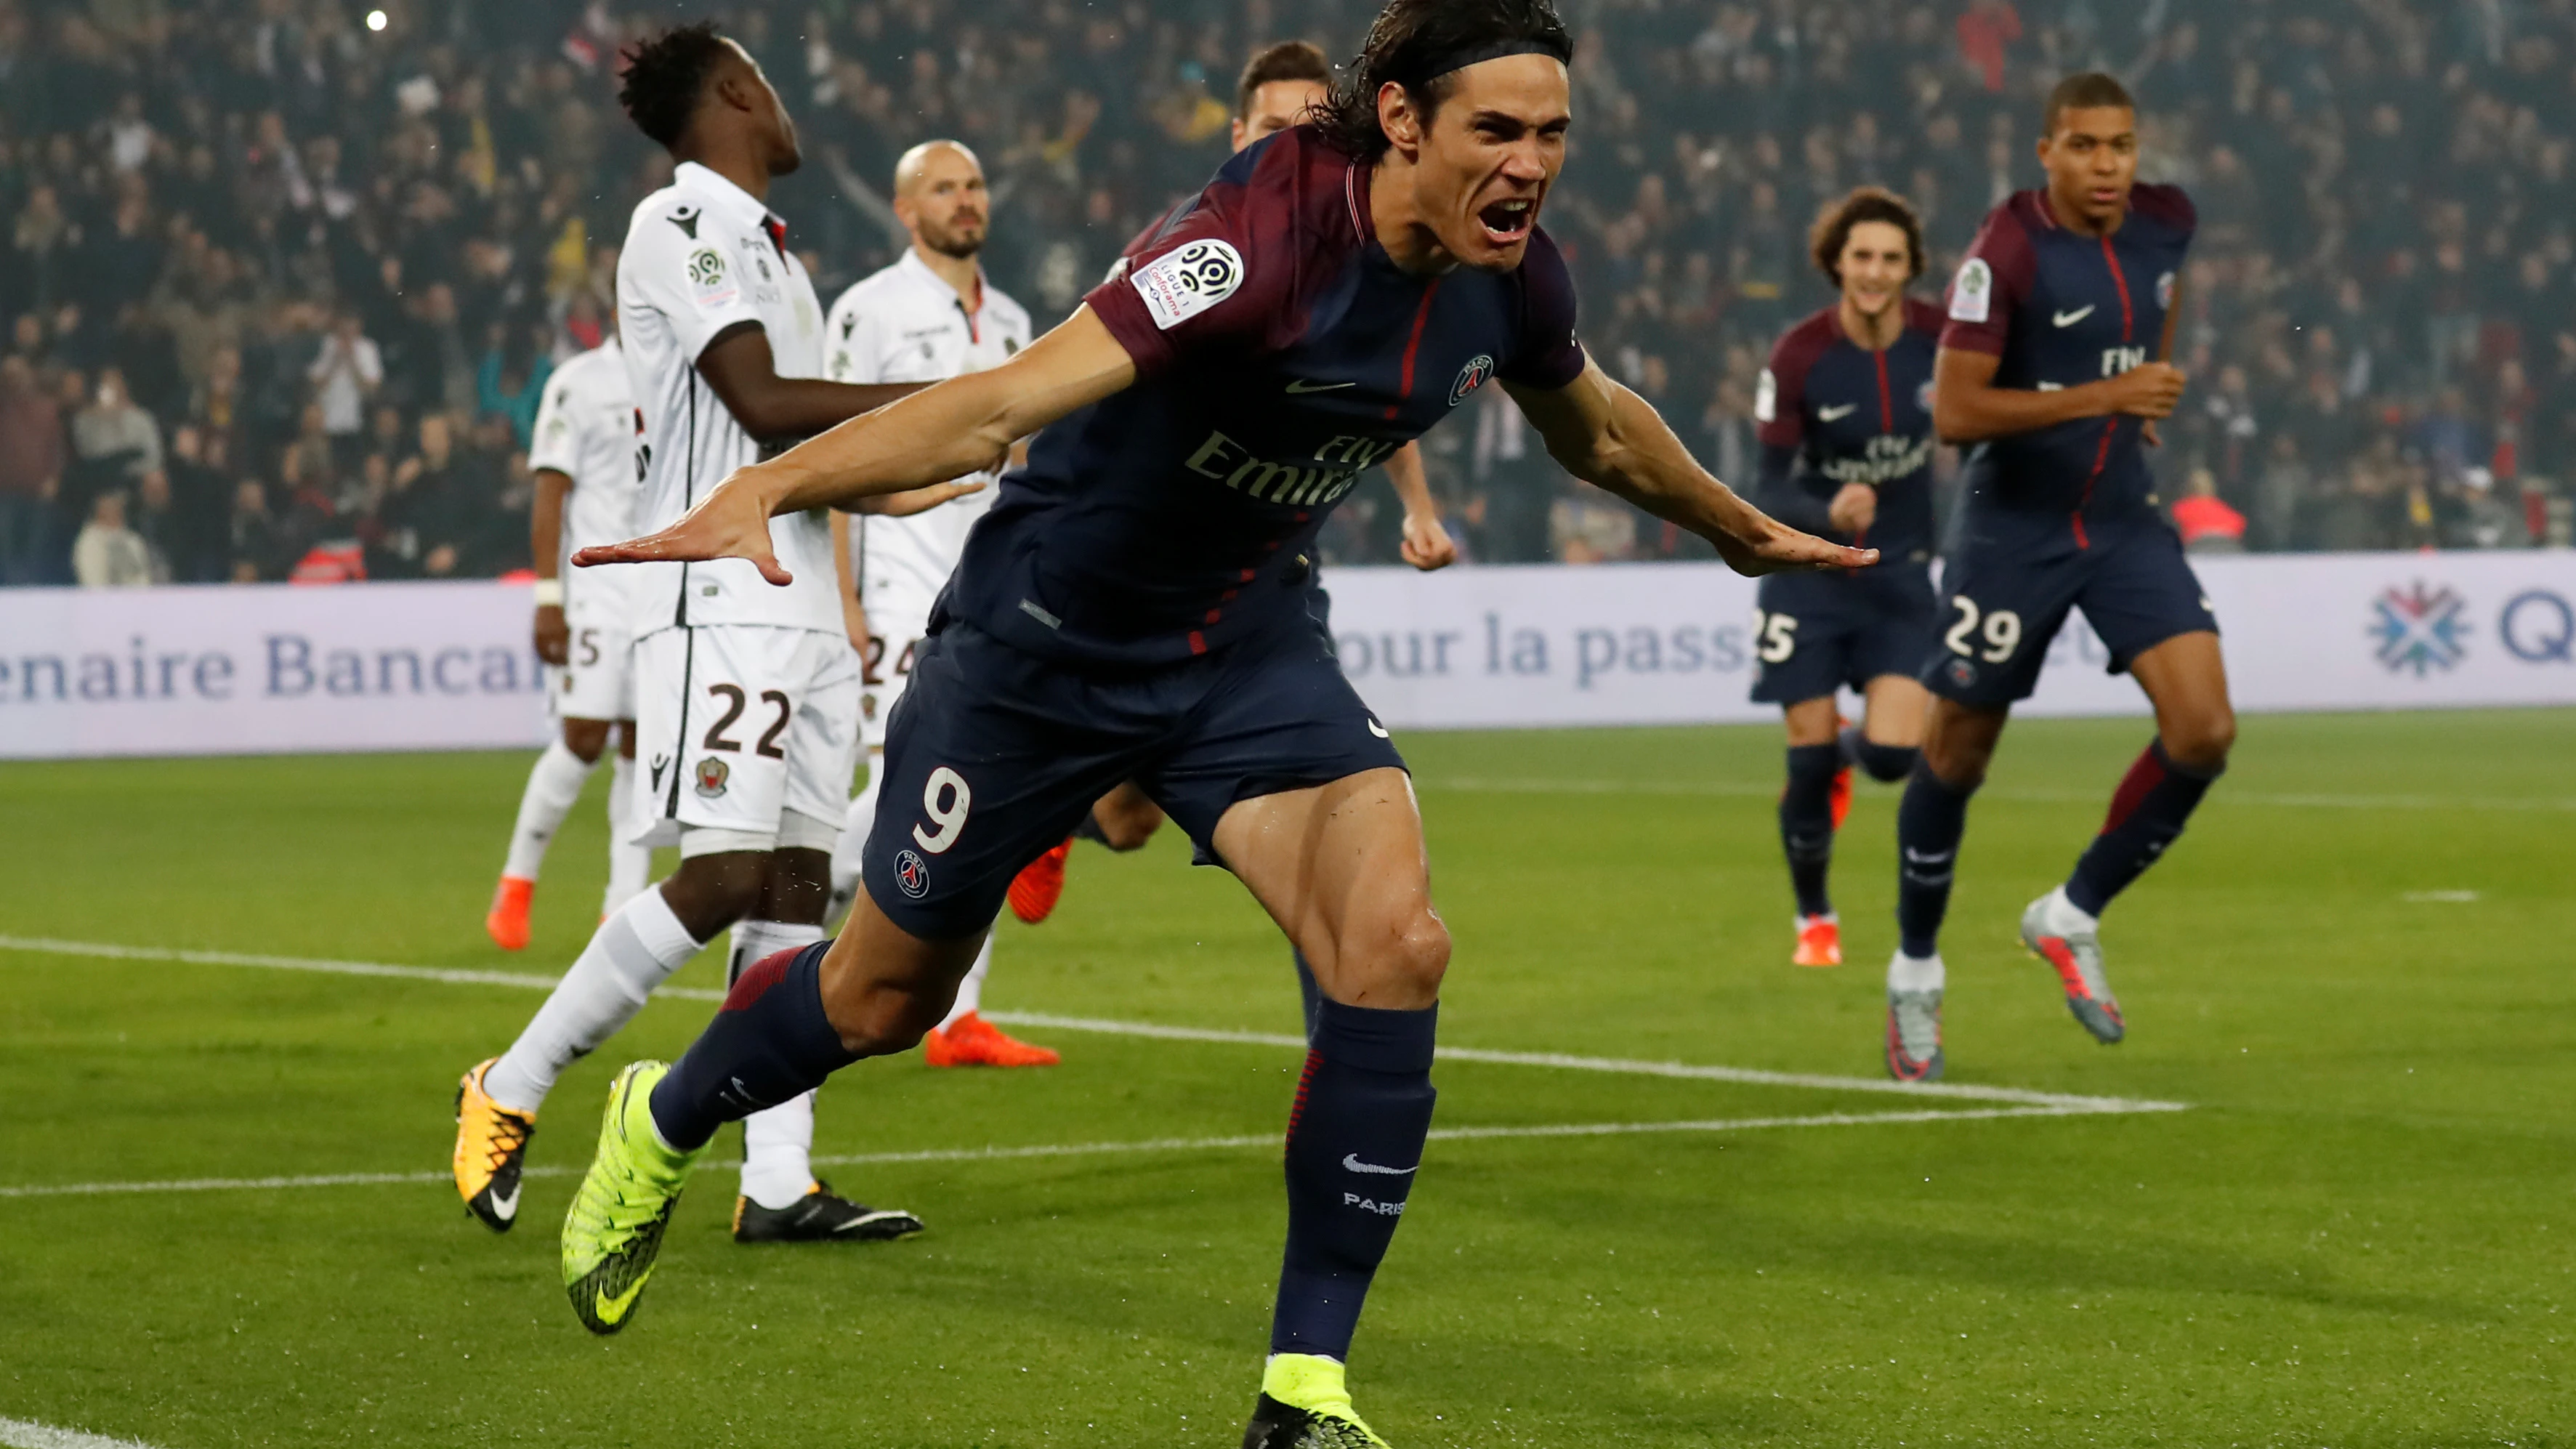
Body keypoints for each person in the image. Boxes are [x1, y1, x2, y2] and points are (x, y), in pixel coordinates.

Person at [563, 4, 1866, 1442]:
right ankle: (662, 1117)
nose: (1530, 165)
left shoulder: (1511, 281)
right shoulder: (1251, 243)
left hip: (1243, 649)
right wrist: (775, 483)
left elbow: (1601, 427)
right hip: (1038, 651)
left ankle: (1302, 1390)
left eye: (1552, 134)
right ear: (1402, 124)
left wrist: (1739, 529)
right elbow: (998, 405)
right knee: (881, 999)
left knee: (1395, 943)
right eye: (1496, 131)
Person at [449, 21, 965, 1249]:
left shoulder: (773, 252)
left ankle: (776, 1176)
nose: (787, 109)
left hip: (804, 599)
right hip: (720, 597)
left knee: (795, 889)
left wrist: (895, 484)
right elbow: (763, 402)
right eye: (770, 85)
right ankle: (510, 1080)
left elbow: (797, 451)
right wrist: (953, 402)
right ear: (736, 88)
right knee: (726, 873)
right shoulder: (681, 222)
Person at [1014, 41, 1463, 1039]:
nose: (1292, 148)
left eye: (1312, 129)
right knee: (1128, 818)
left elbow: (1379, 398)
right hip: (1149, 584)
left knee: (1336, 827)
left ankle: (1339, 1064)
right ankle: (1060, 814)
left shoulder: (1355, 254)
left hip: (1269, 577)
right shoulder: (1189, 247)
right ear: (1235, 134)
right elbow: (1081, 384)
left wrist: (1418, 508)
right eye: (1271, 129)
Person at [1898, 71, 2229, 1072]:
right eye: (2082, 147)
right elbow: (1956, 414)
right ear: (2045, 153)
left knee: (2204, 730)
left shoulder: (2167, 220)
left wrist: (2146, 389)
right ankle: (1915, 970)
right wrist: (2109, 394)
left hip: (2120, 517)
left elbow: (2164, 300)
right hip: (2013, 531)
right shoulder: (2006, 248)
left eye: (2119, 145)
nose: (2105, 165)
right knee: (1958, 754)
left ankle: (2070, 910)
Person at [817, 139, 1059, 1068]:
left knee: (979, 788)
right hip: (896, 589)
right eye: (945, 187)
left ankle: (959, 1016)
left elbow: (1025, 463)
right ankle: (782, 902)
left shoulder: (1013, 318)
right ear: (906, 209)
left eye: (975, 184)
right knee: (902, 789)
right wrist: (844, 597)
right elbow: (839, 450)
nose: (966, 199)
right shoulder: (867, 310)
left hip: (989, 593)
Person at [1747, 187, 1942, 993]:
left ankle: (1843, 755)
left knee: (1893, 758)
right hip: (1811, 575)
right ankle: (1814, 919)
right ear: (1836, 263)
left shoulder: (1941, 341)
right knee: (1804, 759)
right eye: (1861, 256)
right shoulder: (1798, 355)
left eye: (1890, 259)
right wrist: (1824, 511)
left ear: (1909, 268)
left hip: (1899, 573)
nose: (1874, 272)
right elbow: (1765, 484)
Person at [481, 331, 655, 952]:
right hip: (597, 589)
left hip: (664, 591)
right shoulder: (578, 382)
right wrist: (548, 597)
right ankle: (518, 880)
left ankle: (620, 910)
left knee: (644, 746)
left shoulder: (688, 373)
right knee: (583, 738)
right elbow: (551, 493)